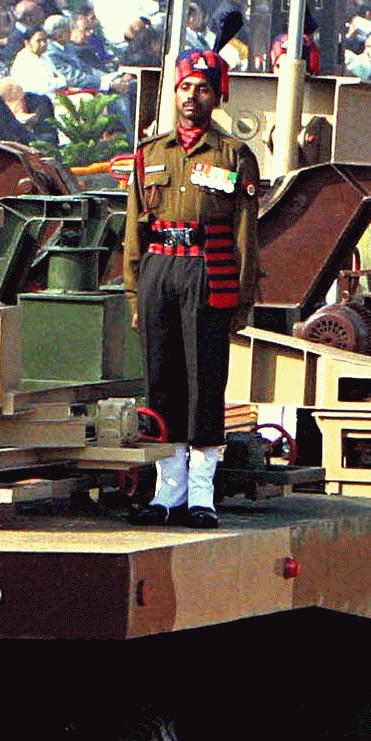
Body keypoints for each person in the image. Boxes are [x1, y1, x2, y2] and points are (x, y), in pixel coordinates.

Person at [120, 43, 261, 530]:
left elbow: (246, 229)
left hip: (207, 268)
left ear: (216, 97)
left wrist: (242, 299)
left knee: (205, 380)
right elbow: (134, 228)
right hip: (160, 267)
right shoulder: (150, 154)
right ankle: (167, 492)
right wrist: (135, 291)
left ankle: (201, 494)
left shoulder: (234, 154)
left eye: (202, 89)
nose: (191, 97)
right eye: (184, 88)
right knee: (162, 378)